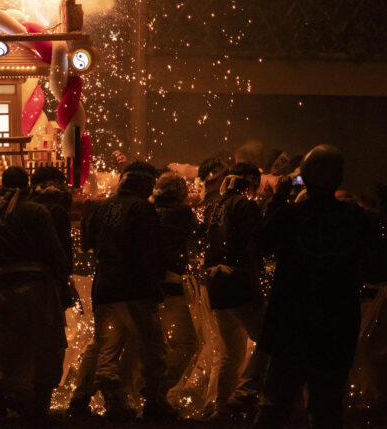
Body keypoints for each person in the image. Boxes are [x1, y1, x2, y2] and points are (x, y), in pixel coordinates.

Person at [253, 145, 369, 429]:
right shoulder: (355, 218)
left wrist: (278, 199)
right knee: (327, 408)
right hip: (336, 324)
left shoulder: (291, 216)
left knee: (275, 404)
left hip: (292, 322)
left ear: (305, 175)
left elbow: (263, 241)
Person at [0, 166, 69, 420]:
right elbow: (55, 251)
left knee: (4, 348)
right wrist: (63, 274)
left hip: (3, 288)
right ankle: (35, 405)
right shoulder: (37, 211)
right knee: (43, 345)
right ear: (28, 187)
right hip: (35, 286)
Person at [78, 161, 176, 422]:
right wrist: (155, 285)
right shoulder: (142, 208)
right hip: (134, 285)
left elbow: (86, 245)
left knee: (106, 346)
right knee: (152, 346)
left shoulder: (101, 207)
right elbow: (148, 251)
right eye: (151, 183)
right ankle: (154, 401)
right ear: (143, 182)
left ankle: (110, 401)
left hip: (105, 285)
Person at [205, 162, 269, 419]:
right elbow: (250, 249)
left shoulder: (214, 206)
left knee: (230, 351)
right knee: (270, 338)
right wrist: (255, 286)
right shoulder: (246, 206)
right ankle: (245, 391)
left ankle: (220, 408)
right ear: (250, 183)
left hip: (215, 284)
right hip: (238, 282)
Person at [152, 172, 200, 393]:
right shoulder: (182, 213)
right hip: (170, 282)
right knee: (187, 343)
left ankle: (146, 390)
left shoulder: (149, 210)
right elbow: (199, 232)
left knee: (155, 344)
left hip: (148, 283)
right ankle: (157, 388)